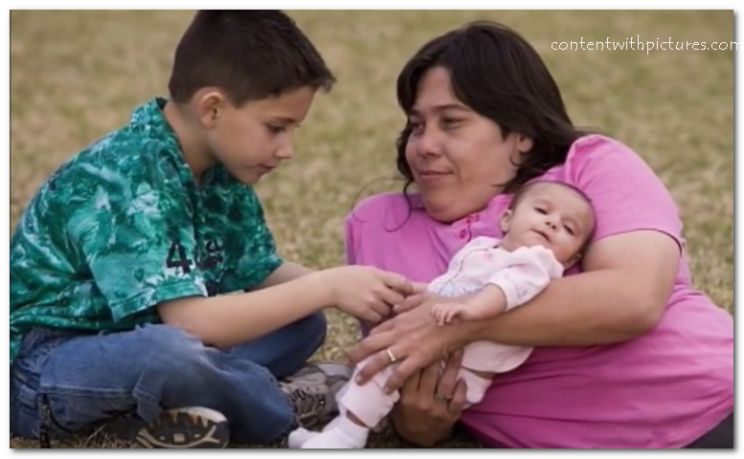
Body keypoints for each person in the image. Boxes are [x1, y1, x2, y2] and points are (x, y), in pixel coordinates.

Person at [9, 11, 414, 449]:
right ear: (212, 108)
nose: (287, 150)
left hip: (159, 341)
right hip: (48, 364)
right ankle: (283, 415)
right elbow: (192, 322)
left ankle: (186, 412)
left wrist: (382, 296)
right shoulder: (127, 174)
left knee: (302, 320)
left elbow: (261, 271)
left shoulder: (221, 167)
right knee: (168, 355)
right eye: (276, 127)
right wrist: (330, 287)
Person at [344, 21, 733, 448]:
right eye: (417, 125)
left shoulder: (590, 167)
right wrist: (421, 425)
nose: (424, 146)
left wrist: (458, 324)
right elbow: (398, 380)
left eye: (451, 123)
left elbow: (634, 299)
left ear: (521, 135)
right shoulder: (378, 225)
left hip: (716, 406)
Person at [289, 181, 596, 448]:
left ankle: (346, 437)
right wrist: (417, 293)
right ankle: (341, 429)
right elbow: (450, 285)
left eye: (568, 228)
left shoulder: (537, 264)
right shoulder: (487, 249)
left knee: (382, 366)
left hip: (465, 363)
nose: (553, 224)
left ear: (573, 257)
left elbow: (506, 290)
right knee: (380, 369)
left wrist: (471, 308)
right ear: (506, 219)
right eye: (543, 212)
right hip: (451, 345)